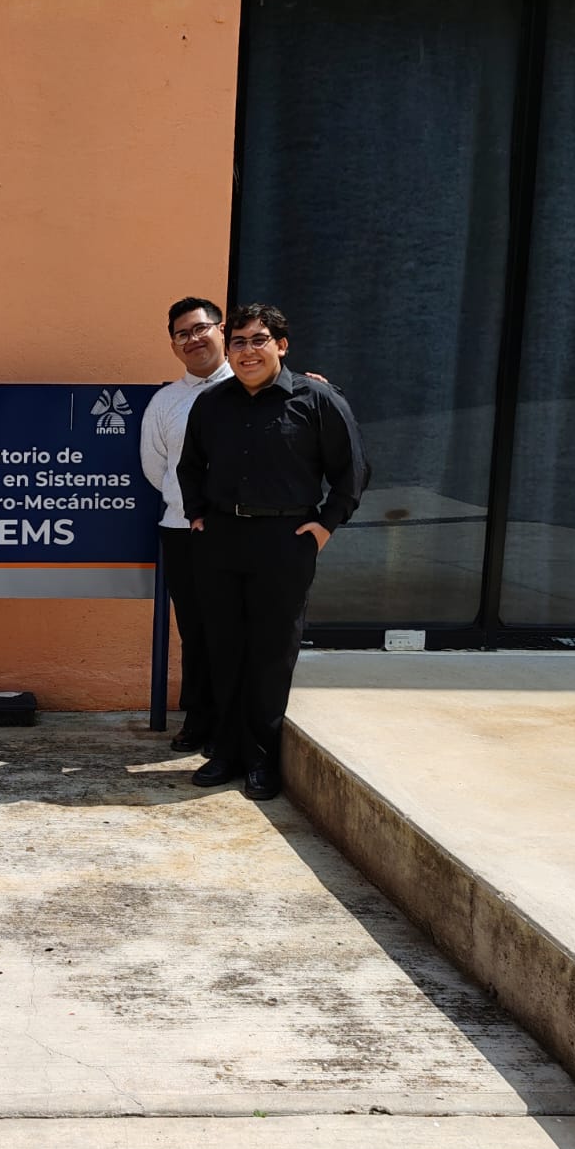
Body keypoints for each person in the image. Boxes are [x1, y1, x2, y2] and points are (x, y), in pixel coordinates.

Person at [178, 303, 368, 800]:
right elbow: (190, 466)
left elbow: (353, 472)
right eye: (238, 341)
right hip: (219, 538)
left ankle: (261, 762)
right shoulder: (212, 403)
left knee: (270, 653)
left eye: (258, 340)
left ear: (280, 345)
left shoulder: (318, 400)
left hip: (286, 542)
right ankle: (225, 753)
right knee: (223, 647)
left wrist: (325, 526)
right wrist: (197, 513)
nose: (247, 351)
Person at [139, 297, 232, 756]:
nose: (194, 339)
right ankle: (198, 719)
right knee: (195, 630)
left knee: (238, 628)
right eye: (183, 333)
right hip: (181, 529)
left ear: (221, 330)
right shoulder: (166, 402)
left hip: (242, 532)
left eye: (201, 328)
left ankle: (235, 724)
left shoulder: (256, 387)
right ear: (173, 344)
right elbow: (157, 470)